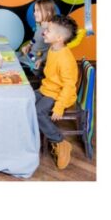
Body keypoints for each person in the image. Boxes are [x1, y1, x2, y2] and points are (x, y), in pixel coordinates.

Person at [34, 14, 79, 170]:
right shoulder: (53, 48)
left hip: (59, 94)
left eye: (48, 30)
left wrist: (59, 106)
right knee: (26, 100)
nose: (44, 32)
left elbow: (69, 86)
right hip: (47, 88)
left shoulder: (66, 59)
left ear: (59, 38)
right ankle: (29, 135)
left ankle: (60, 142)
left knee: (38, 112)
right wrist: (42, 60)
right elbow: (51, 65)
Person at [20, 0, 55, 88]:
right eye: (34, 10)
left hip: (34, 65)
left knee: (12, 66)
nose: (34, 13)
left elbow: (51, 50)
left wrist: (41, 60)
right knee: (12, 57)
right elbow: (35, 39)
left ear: (48, 12)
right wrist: (29, 45)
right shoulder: (40, 26)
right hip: (29, 56)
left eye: (38, 10)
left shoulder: (50, 30)